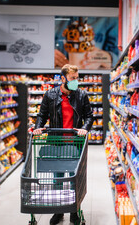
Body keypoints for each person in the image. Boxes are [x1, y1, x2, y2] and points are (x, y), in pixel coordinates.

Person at [33, 64, 93, 224]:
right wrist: (38, 128)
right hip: (56, 142)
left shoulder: (81, 95)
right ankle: (58, 211)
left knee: (75, 179)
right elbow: (42, 115)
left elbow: (89, 116)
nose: (76, 81)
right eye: (73, 78)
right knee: (57, 178)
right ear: (63, 78)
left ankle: (74, 210)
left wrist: (84, 129)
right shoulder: (50, 95)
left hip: (74, 143)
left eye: (77, 78)